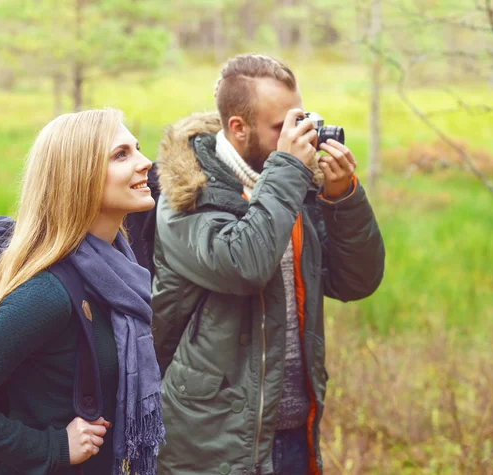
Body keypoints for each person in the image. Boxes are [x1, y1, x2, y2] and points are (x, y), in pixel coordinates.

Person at [151, 54, 385, 474]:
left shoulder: (291, 181)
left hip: (292, 431)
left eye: (301, 120)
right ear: (238, 128)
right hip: (211, 445)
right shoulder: (187, 195)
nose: (299, 137)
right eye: (281, 127)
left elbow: (357, 280)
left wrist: (341, 195)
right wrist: (291, 168)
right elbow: (244, 265)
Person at [0, 108, 165, 475]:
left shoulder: (118, 272)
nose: (145, 162)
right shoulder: (48, 293)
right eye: (121, 155)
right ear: (78, 177)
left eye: (137, 149)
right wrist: (53, 447)